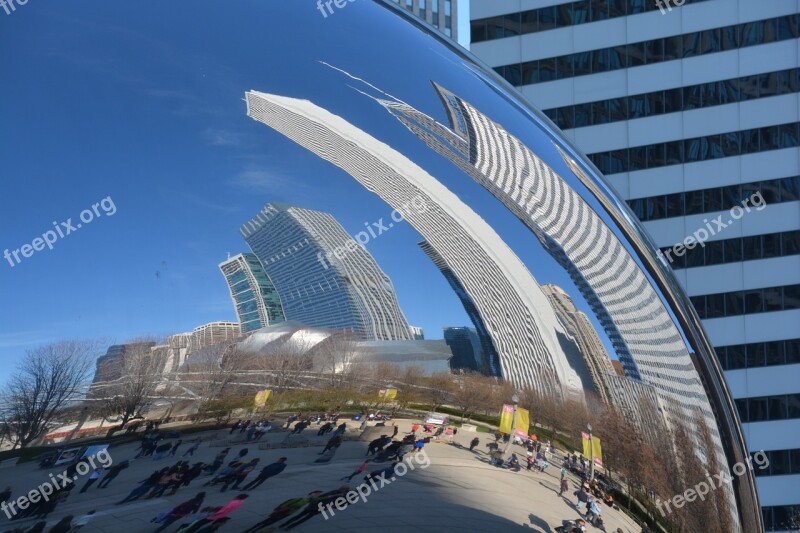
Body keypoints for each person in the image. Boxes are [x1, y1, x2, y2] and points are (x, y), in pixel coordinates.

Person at [242, 492, 318, 533]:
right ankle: (251, 530)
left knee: (269, 522)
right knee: (266, 521)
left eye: (317, 495)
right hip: (282, 512)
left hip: (286, 513)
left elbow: (319, 498)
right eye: (315, 494)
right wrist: (279, 509)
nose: (316, 495)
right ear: (310, 494)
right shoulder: (300, 499)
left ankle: (254, 530)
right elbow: (286, 504)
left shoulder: (308, 501)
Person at [280, 487, 347, 530]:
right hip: (313, 506)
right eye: (342, 490)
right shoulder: (333, 492)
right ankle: (285, 524)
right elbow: (320, 498)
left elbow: (336, 505)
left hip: (320, 509)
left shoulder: (340, 498)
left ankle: (290, 526)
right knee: (299, 516)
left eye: (343, 491)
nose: (342, 492)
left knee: (304, 518)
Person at [177, 493, 249, 533]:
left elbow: (226, 508)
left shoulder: (233, 502)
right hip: (222, 514)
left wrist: (216, 513)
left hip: (216, 515)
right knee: (201, 523)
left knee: (198, 523)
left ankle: (189, 530)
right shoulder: (241, 502)